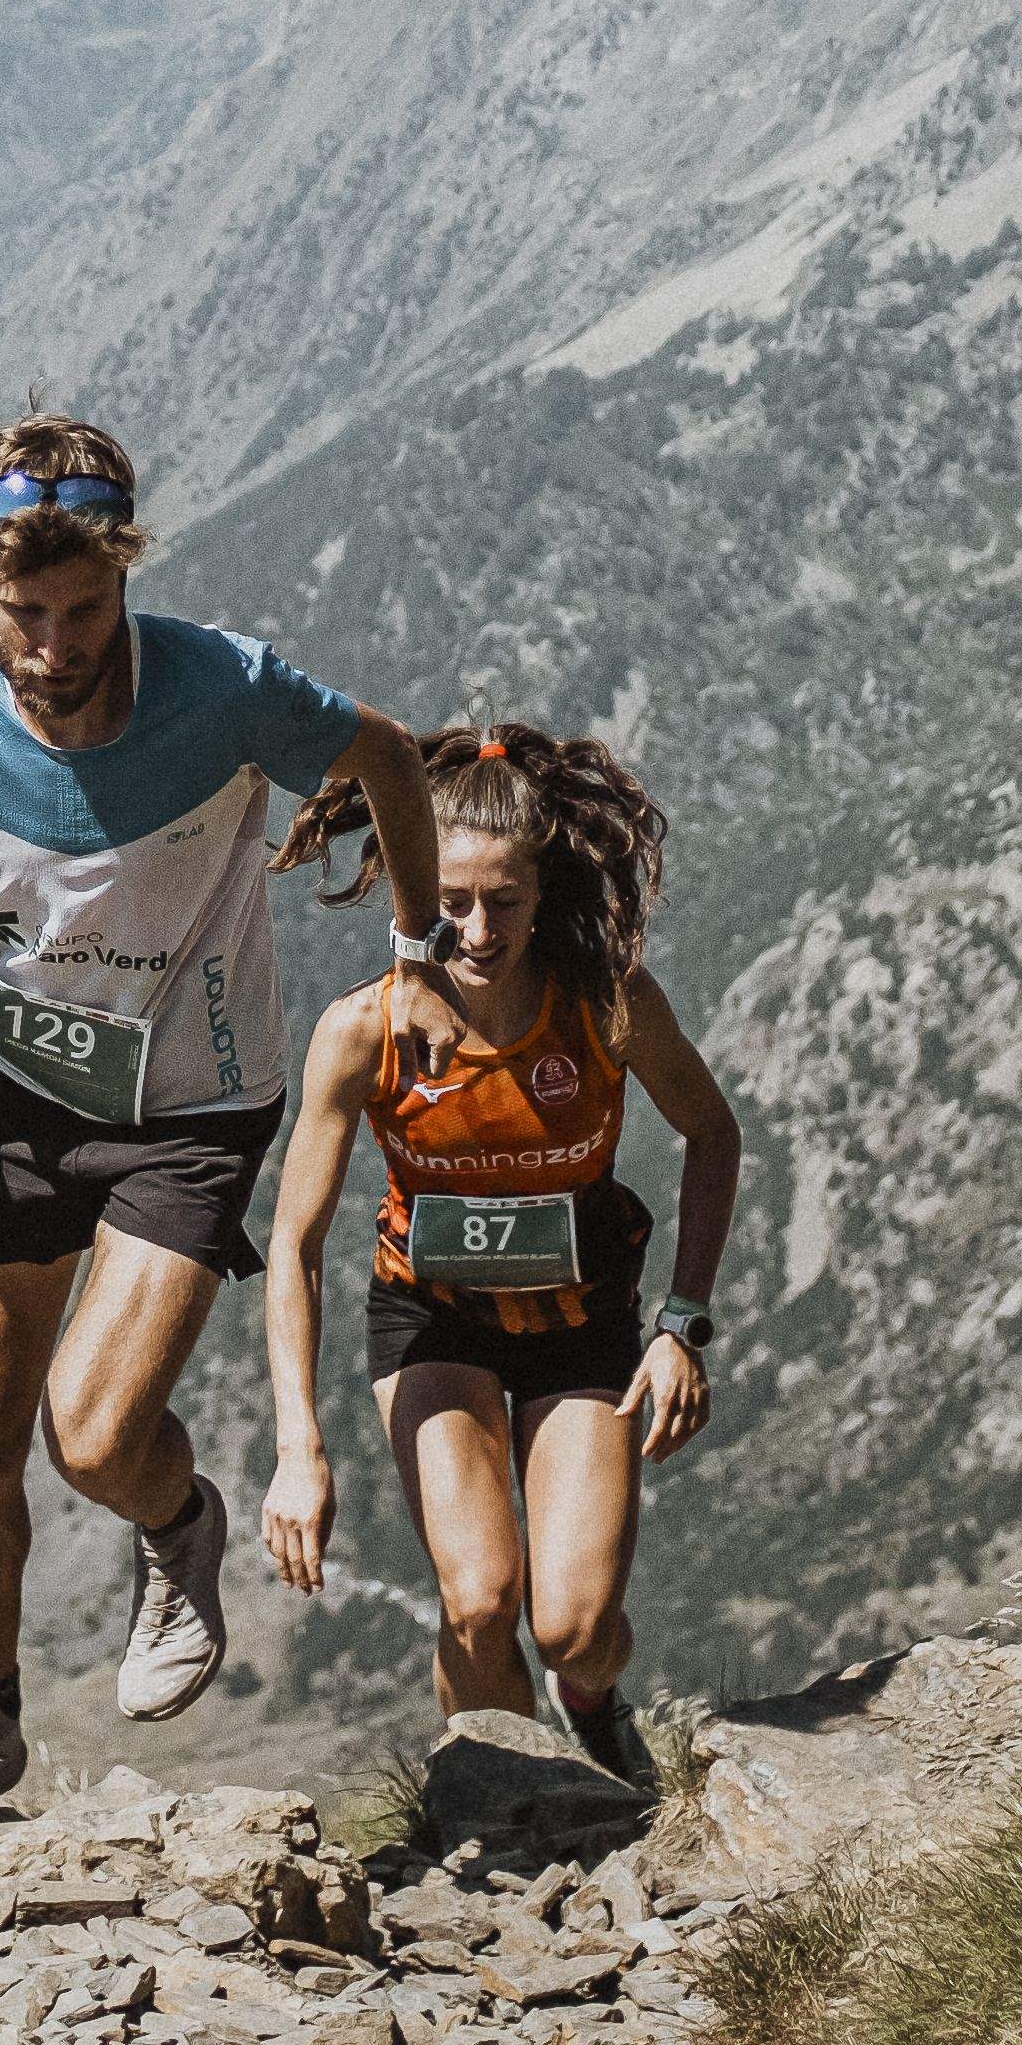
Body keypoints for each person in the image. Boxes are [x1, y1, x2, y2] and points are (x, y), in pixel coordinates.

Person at [0, 414, 444, 1835]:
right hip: (13, 1091)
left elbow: (391, 757)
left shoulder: (224, 689)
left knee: (90, 1438)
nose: (55, 641)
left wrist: (416, 947)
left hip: (191, 1103)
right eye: (25, 611)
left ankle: (177, 1524)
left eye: (87, 608)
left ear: (126, 573)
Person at [249, 721, 741, 1793]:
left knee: (573, 1627)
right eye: (450, 903)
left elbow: (714, 1130)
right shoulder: (363, 1031)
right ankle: (515, 1810)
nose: (474, 929)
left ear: (541, 888)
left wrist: (683, 1322)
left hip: (583, 1323)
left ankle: (591, 1702)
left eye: (503, 901)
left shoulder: (604, 1001)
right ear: (414, 896)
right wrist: (299, 1444)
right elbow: (290, 1244)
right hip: (433, 1322)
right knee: (478, 1601)